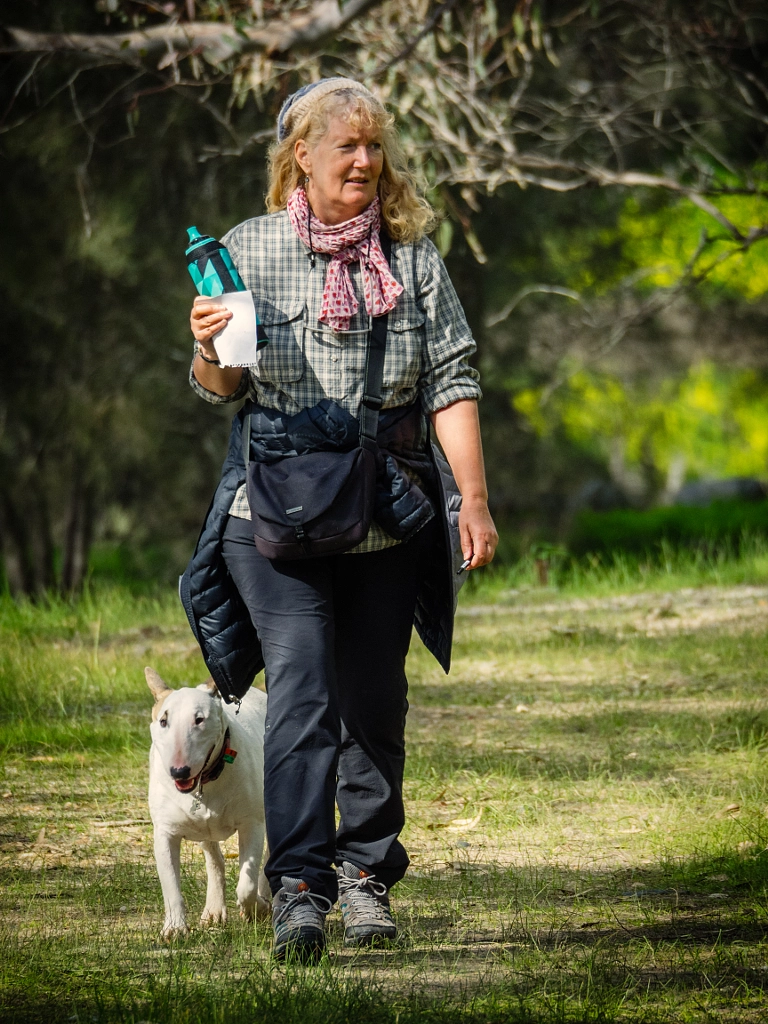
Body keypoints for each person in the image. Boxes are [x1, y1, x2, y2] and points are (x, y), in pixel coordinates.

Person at [183, 77, 498, 961]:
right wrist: (209, 346)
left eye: (373, 146)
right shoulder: (246, 249)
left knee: (374, 699)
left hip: (386, 515)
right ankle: (297, 889)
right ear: (303, 156)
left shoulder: (413, 257)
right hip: (271, 517)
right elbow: (223, 389)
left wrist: (470, 496)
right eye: (346, 146)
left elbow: (454, 383)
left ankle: (365, 877)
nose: (364, 160)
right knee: (304, 694)